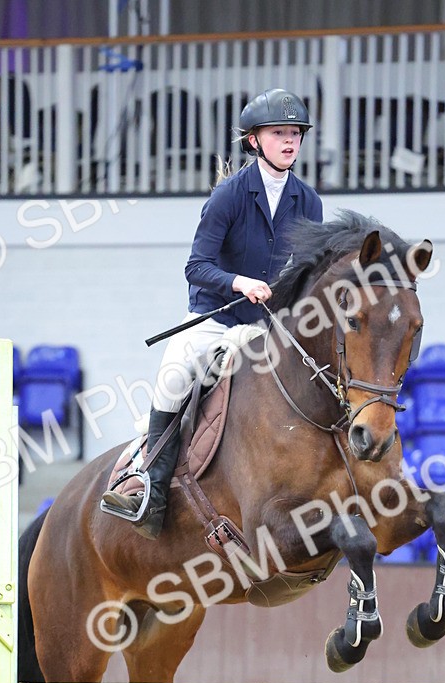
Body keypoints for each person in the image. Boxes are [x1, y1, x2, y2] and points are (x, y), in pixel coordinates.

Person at [101, 87, 323, 538]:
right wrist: (241, 283)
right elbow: (196, 267)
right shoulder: (229, 195)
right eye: (278, 133)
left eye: (295, 134)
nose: (289, 141)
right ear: (254, 141)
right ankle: (151, 492)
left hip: (269, 328)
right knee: (173, 377)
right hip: (217, 322)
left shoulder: (308, 201)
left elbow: (309, 272)